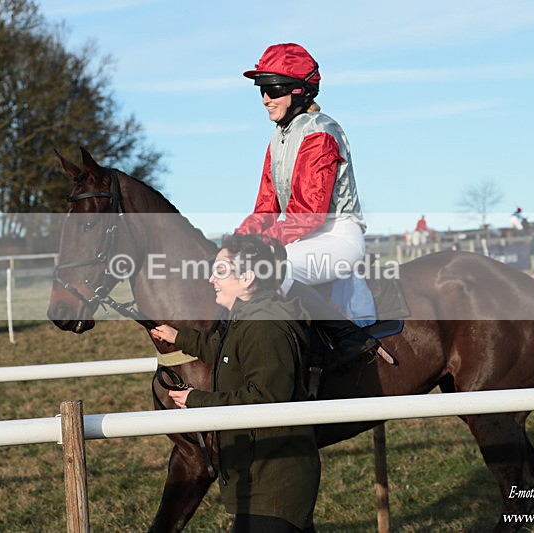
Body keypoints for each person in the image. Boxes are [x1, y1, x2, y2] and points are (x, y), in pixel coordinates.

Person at [151, 234, 319, 533]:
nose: (212, 279)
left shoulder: (263, 327)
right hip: (261, 479)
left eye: (220, 271)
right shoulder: (245, 317)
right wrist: (180, 338)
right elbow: (225, 350)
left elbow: (266, 399)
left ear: (247, 278)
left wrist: (196, 400)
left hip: (273, 484)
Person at [234, 42, 385, 362]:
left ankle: (350, 338)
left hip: (337, 236)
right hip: (302, 238)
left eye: (273, 88)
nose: (265, 98)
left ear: (300, 90)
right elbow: (266, 208)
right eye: (261, 89)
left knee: (271, 269)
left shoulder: (321, 132)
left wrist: (259, 242)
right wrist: (237, 240)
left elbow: (309, 214)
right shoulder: (278, 139)